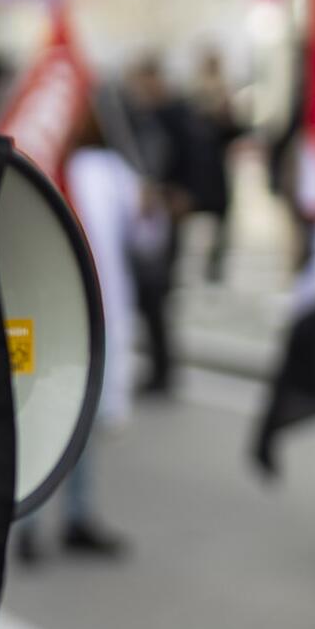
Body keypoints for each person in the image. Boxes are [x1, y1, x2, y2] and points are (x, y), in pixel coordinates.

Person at [18, 107, 156, 563]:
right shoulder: (26, 163)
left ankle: (77, 517)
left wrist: (151, 210)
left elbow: (146, 239)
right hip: (27, 316)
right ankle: (25, 521)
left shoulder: (108, 172)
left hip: (89, 313)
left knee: (84, 418)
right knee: (30, 413)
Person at [123, 55, 194, 394]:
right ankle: (158, 367)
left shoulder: (177, 114)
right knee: (151, 297)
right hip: (152, 215)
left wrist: (178, 195)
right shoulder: (145, 117)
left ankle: (164, 370)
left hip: (165, 216)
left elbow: (193, 162)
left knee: (158, 295)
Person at [184, 49, 248, 284]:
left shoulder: (224, 93)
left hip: (217, 168)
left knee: (222, 222)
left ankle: (214, 264)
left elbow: (235, 130)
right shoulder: (194, 94)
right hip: (196, 169)